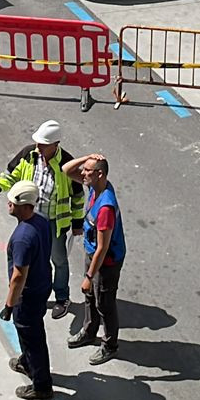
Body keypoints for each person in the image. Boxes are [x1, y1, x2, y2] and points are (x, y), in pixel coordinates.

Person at [0, 120, 82, 321]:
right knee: (37, 262)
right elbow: (11, 177)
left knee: (59, 260)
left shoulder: (66, 164)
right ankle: (36, 293)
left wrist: (77, 223)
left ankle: (62, 298)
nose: (38, 147)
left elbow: (78, 196)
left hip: (54, 225)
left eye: (43, 144)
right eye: (38, 143)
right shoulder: (29, 155)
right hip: (32, 221)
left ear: (56, 145)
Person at [63, 152, 124, 365]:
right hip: (93, 253)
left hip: (106, 261)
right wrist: (87, 157)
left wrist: (89, 276)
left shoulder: (105, 206)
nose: (83, 173)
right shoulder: (95, 187)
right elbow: (67, 170)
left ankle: (110, 345)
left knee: (104, 303)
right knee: (90, 296)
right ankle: (89, 332)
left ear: (99, 174)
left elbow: (103, 247)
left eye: (88, 171)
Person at [0, 179, 55, 400]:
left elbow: (18, 276)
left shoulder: (23, 238)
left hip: (28, 295)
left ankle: (41, 385)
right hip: (42, 286)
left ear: (23, 205)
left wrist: (9, 305)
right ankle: (27, 362)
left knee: (32, 337)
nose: (8, 204)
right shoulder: (41, 222)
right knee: (29, 333)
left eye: (12, 201)